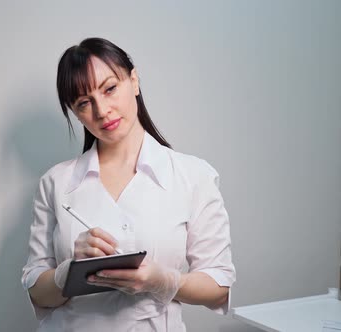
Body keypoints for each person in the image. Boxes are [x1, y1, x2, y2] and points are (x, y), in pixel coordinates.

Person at [21, 37, 236, 331]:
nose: (102, 110)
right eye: (84, 103)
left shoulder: (193, 175)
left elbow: (218, 286)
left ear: (133, 81)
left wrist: (163, 281)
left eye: (110, 89)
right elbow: (37, 291)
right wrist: (67, 272)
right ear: (75, 112)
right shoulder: (55, 182)